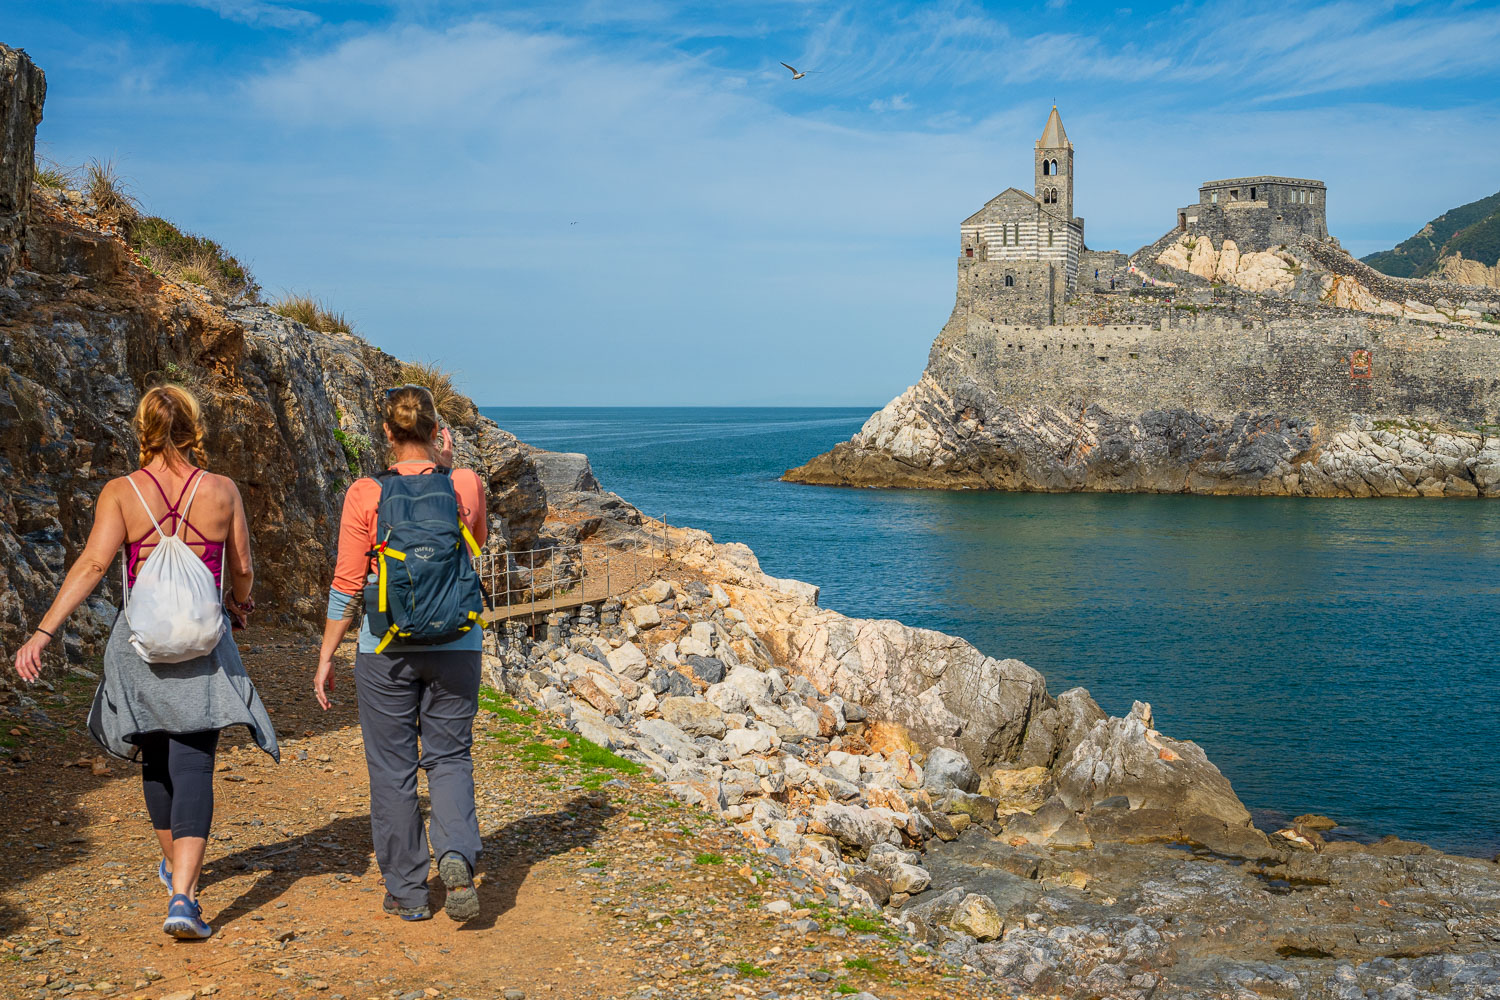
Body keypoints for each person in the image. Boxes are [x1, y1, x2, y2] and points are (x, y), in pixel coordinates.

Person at [12, 384, 278, 940]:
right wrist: (239, 604)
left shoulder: (122, 491)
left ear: (144, 430)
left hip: (138, 648)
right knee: (195, 763)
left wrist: (43, 632)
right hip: (204, 647)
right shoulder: (222, 490)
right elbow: (244, 566)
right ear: (193, 426)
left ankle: (175, 874)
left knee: (155, 758)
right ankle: (183, 895)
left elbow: (91, 565)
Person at [315, 385, 488, 922]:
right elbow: (474, 544)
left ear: (386, 434)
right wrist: (451, 469)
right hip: (458, 641)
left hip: (385, 645)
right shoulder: (464, 483)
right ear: (438, 432)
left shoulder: (364, 493)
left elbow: (347, 584)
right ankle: (456, 852)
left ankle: (408, 894)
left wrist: (327, 656)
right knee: (450, 755)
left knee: (392, 769)